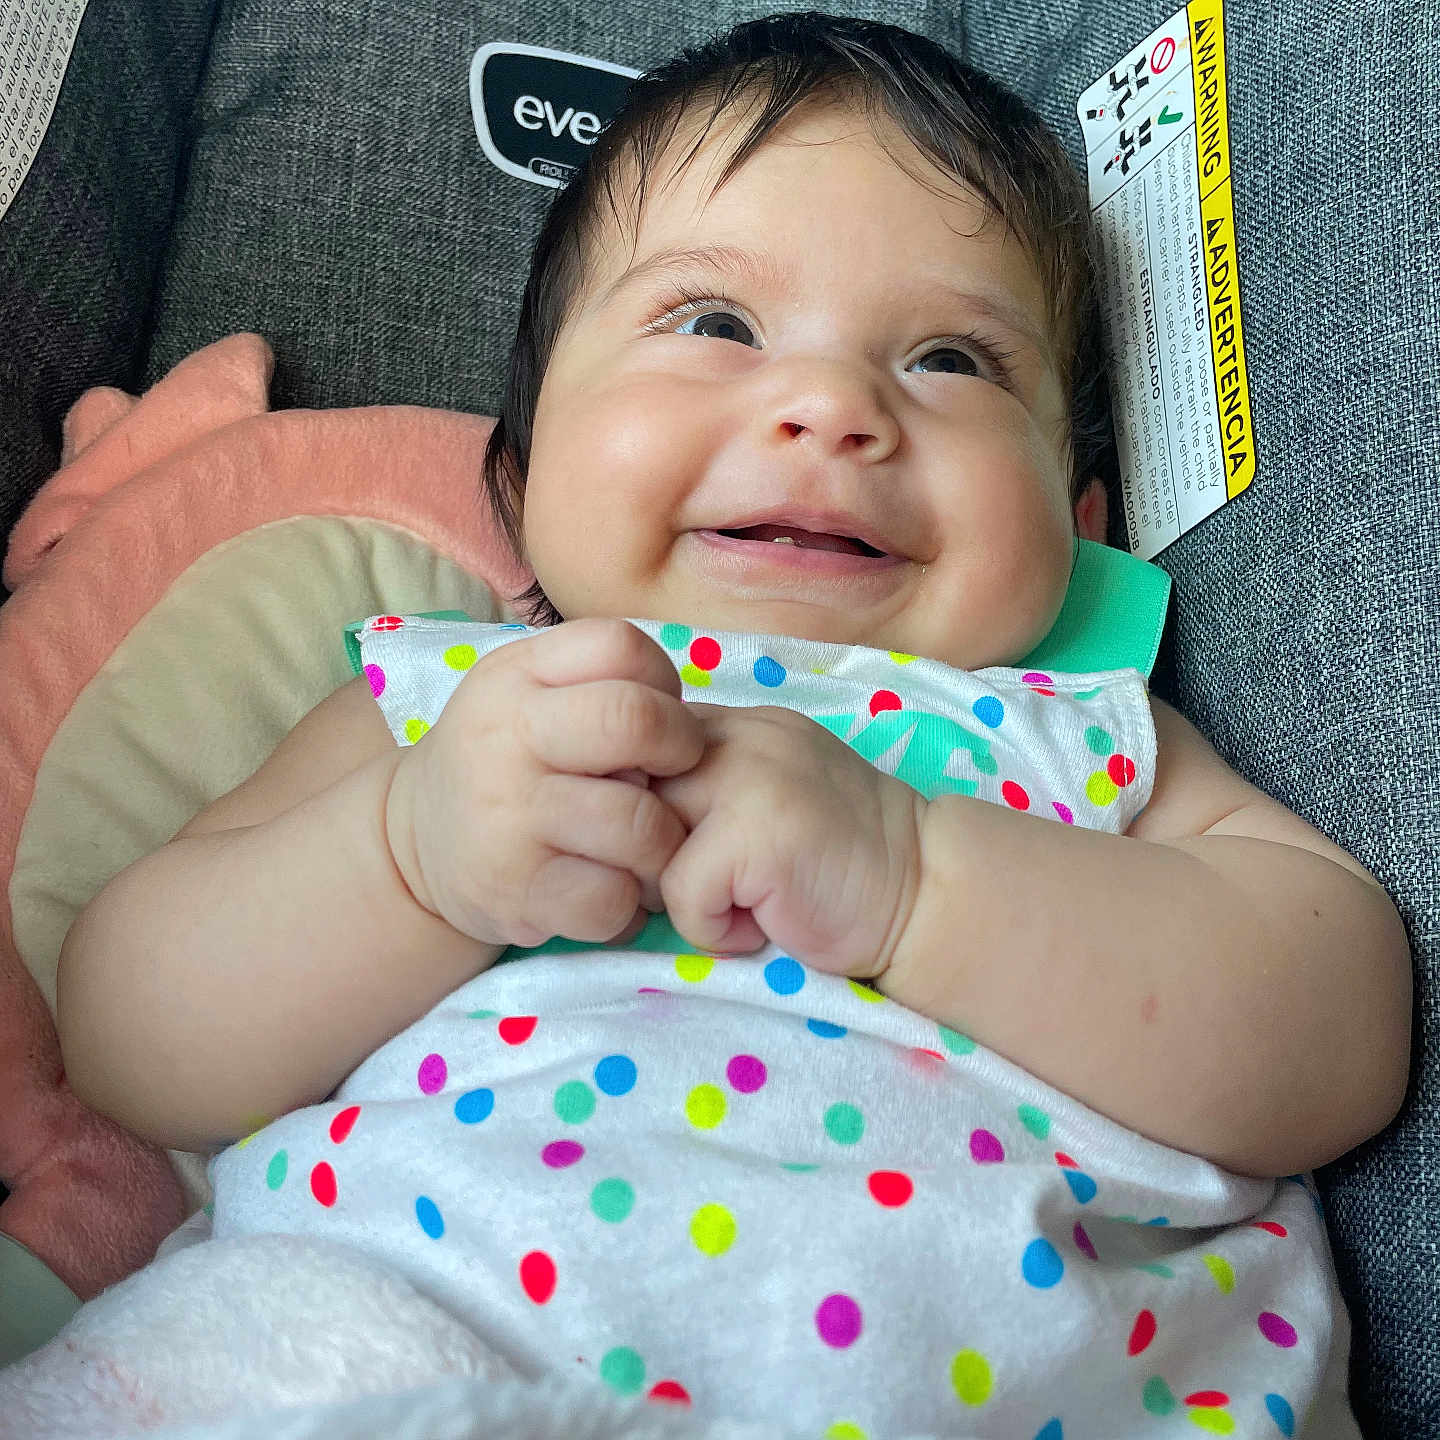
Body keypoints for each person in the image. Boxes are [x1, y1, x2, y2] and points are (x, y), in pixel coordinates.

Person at [55, 12, 1410, 1434]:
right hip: (416, 1355)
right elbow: (129, 1037)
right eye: (716, 325)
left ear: (1081, 534)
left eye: (952, 358)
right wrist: (408, 859)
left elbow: (1338, 1031)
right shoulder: (442, 707)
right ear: (518, 487)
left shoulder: (1074, 728)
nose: (831, 406)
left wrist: (919, 883)